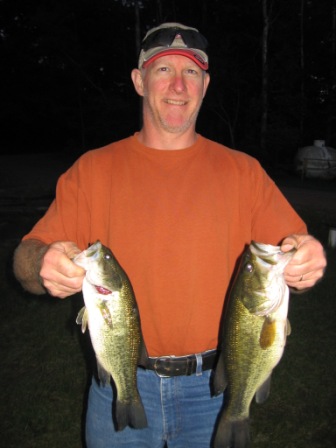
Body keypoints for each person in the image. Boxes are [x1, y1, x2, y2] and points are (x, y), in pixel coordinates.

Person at [13, 22, 326, 448]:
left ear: (206, 84)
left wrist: (308, 257)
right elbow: (25, 260)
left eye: (192, 72)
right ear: (140, 81)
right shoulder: (92, 170)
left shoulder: (243, 172)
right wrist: (41, 263)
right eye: (163, 70)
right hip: (119, 379)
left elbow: (294, 251)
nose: (178, 85)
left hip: (215, 389)